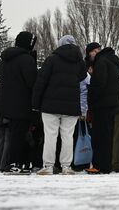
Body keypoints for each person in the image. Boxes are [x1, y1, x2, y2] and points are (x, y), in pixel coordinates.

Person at [32, 35, 87, 175]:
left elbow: (41, 81)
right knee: (67, 136)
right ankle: (66, 166)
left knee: (50, 135)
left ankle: (49, 166)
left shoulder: (52, 59)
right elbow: (82, 77)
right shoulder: (79, 61)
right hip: (71, 105)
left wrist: (35, 103)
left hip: (50, 105)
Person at [0, 31, 38, 173]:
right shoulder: (26, 59)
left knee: (14, 134)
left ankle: (12, 163)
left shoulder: (6, 59)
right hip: (21, 104)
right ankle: (13, 163)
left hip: (7, 103)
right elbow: (31, 81)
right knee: (18, 135)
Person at [86, 46, 119, 174]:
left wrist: (91, 98)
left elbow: (98, 83)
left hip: (101, 105)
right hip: (112, 105)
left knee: (99, 137)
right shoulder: (112, 64)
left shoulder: (101, 62)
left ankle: (98, 165)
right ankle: (106, 165)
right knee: (108, 137)